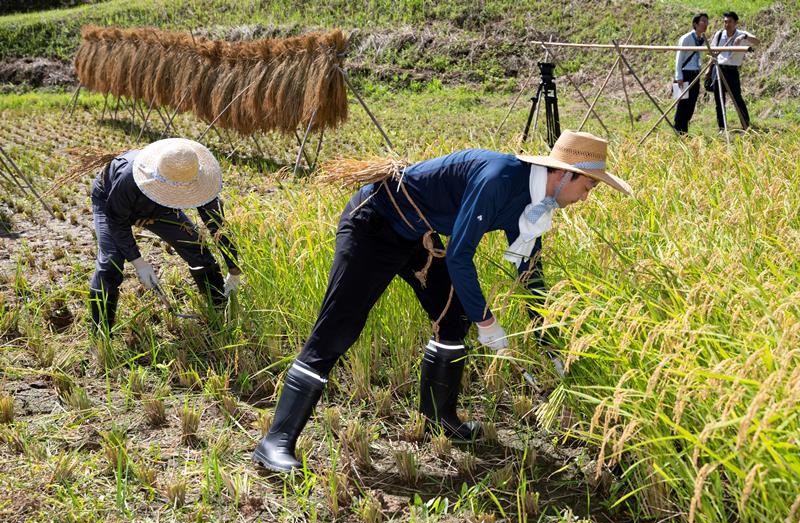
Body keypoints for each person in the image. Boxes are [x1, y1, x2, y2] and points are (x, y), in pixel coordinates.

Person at [252, 130, 632, 472]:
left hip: (417, 237)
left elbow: (530, 273)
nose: (585, 197)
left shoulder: (536, 204)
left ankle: (439, 417)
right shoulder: (500, 178)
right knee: (338, 330)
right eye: (588, 187)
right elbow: (460, 256)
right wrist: (487, 322)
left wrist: (548, 338)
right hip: (374, 225)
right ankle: (276, 440)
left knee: (453, 318)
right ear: (565, 174)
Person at [88, 138, 241, 334]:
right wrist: (138, 261)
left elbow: (218, 227)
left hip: (160, 209)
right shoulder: (130, 176)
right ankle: (100, 335)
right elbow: (117, 220)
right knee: (111, 263)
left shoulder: (199, 180)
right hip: (111, 200)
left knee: (195, 246)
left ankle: (219, 310)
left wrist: (233, 268)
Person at [709, 11, 759, 130]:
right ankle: (722, 127)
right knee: (719, 100)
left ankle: (746, 125)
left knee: (737, 98)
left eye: (730, 22)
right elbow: (712, 52)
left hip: (732, 70)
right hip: (719, 68)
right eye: (725, 22)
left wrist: (744, 37)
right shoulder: (719, 34)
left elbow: (757, 41)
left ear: (736, 23)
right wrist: (708, 70)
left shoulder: (741, 34)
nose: (727, 24)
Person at [673, 13, 708, 134]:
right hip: (684, 73)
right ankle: (678, 131)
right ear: (695, 24)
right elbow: (679, 57)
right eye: (703, 21)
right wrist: (678, 77)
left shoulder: (702, 39)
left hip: (695, 73)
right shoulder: (686, 38)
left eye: (706, 22)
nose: (706, 24)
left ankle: (684, 130)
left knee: (692, 102)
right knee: (682, 103)